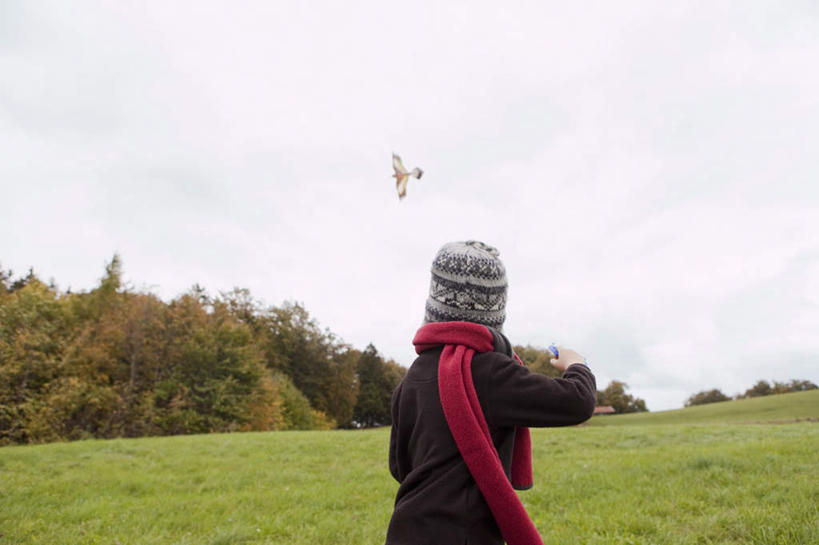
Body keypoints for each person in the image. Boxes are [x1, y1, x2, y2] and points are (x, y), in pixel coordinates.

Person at [386, 240, 597, 545]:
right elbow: (578, 401)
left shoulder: (411, 379)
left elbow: (399, 466)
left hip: (406, 530)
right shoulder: (489, 372)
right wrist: (577, 363)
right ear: (495, 311)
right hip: (465, 535)